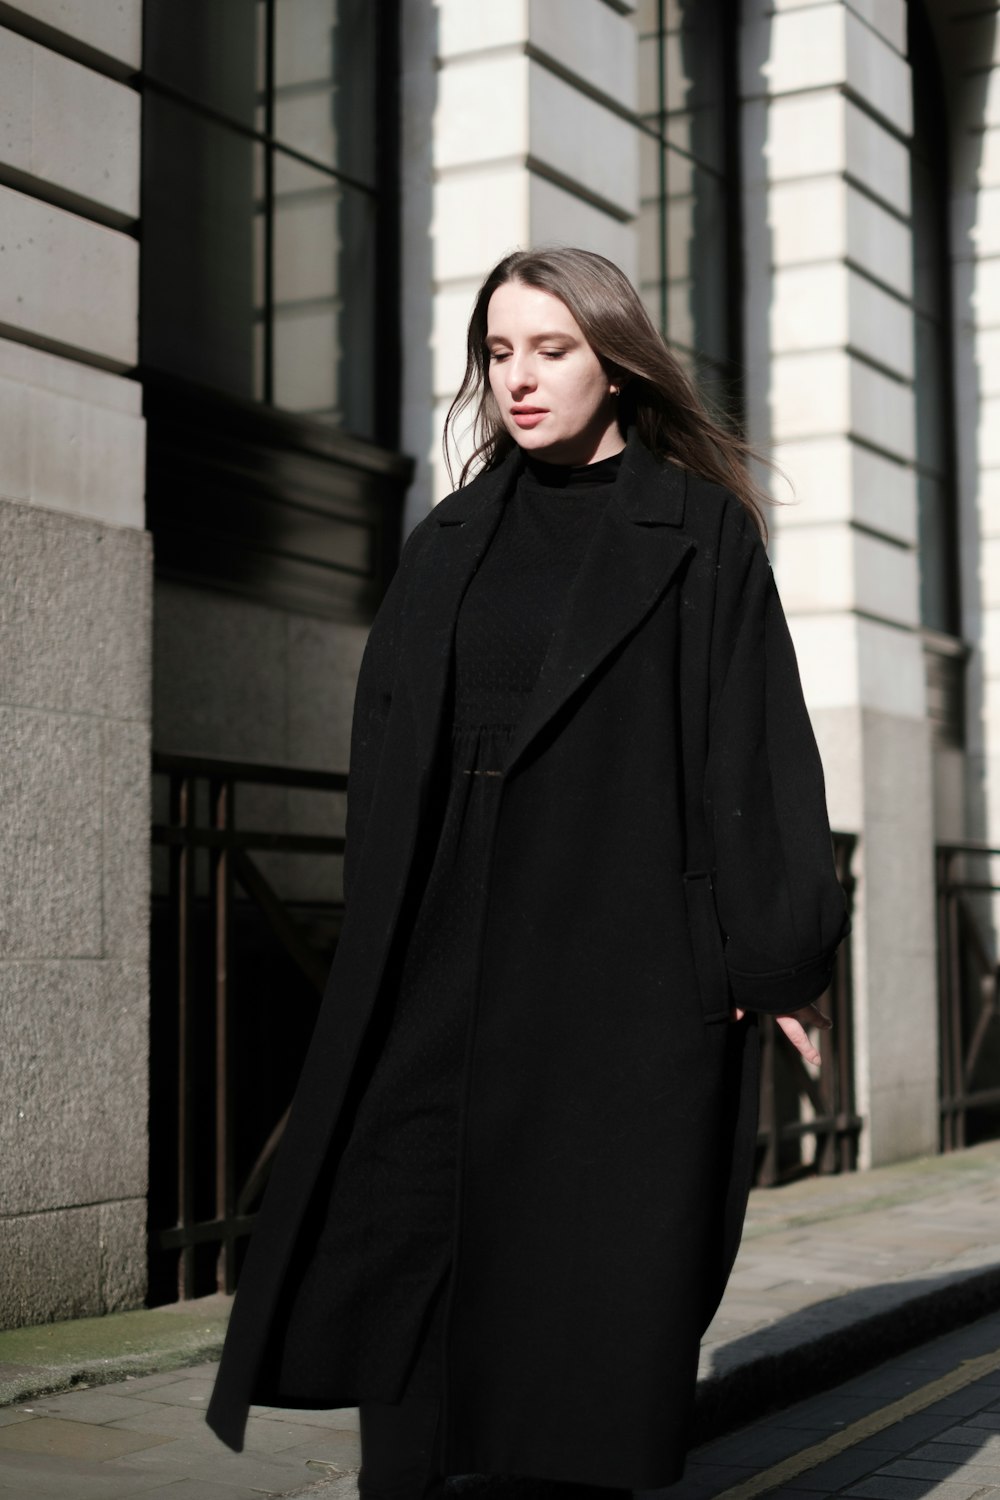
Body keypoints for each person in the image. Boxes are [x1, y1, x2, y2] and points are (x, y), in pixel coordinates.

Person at [206, 247, 849, 1497]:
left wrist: (776, 957)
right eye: (499, 353)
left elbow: (752, 746)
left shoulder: (697, 529)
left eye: (549, 349)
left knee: (591, 1265)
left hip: (622, 955)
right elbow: (387, 750)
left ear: (614, 360)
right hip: (444, 944)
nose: (519, 378)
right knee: (418, 1230)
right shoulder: (449, 538)